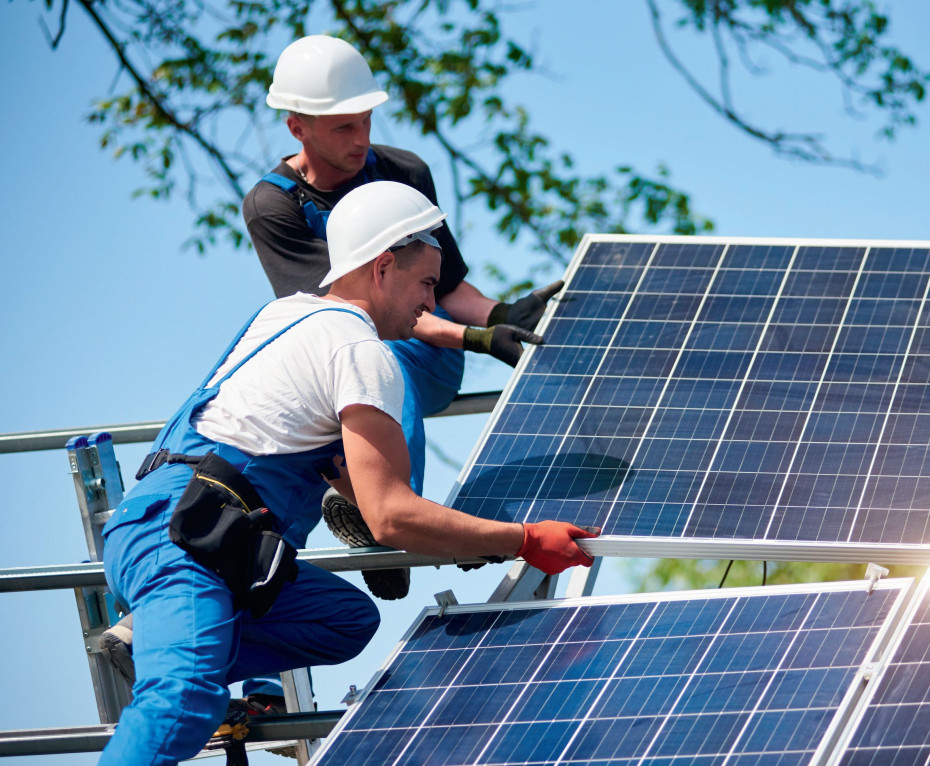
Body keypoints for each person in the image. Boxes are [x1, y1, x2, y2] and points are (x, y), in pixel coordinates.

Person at [98, 181, 598, 766]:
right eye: (427, 284)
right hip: (189, 542)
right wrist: (523, 539)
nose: (430, 305)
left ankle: (157, 637)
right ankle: (173, 650)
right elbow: (389, 516)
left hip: (175, 524)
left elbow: (285, 446)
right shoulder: (361, 352)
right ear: (383, 266)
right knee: (182, 702)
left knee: (344, 620)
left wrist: (432, 525)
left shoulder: (284, 315)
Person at [243, 34, 564, 600]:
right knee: (363, 354)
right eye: (344, 126)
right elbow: (353, 314)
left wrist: (500, 317)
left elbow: (446, 287)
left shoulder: (403, 172)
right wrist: (477, 337)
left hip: (422, 361)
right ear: (298, 127)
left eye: (366, 120)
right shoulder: (274, 206)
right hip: (350, 356)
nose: (361, 139)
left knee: (380, 359)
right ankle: (385, 512)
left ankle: (385, 514)